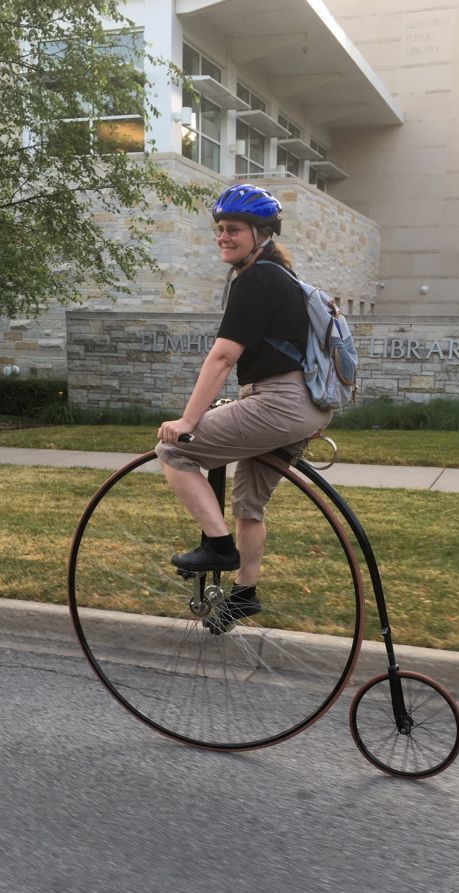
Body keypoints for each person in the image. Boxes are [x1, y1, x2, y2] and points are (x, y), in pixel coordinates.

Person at [155, 183, 331, 629]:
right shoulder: (282, 278)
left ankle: (218, 546)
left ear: (261, 233)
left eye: (233, 229)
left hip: (278, 403)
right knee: (249, 505)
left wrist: (188, 421)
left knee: (174, 452)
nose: (223, 237)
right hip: (302, 406)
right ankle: (244, 594)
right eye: (219, 229)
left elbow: (222, 357)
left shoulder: (255, 280)